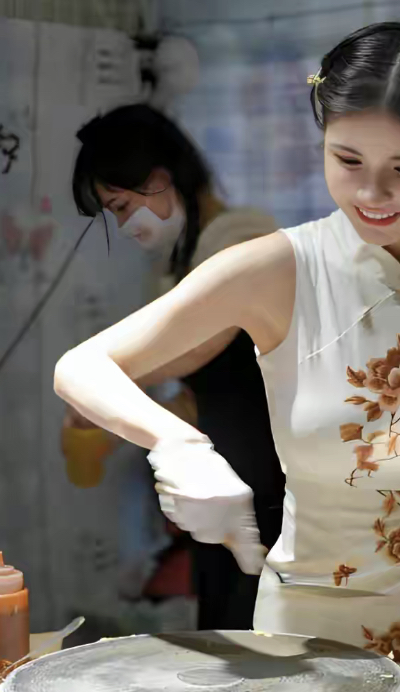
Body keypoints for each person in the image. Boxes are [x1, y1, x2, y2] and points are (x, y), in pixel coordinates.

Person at [54, 22, 400, 692]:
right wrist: (177, 442)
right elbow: (81, 364)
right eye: (347, 159)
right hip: (312, 638)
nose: (372, 193)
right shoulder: (278, 268)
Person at [68, 104, 285, 630]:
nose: (123, 226)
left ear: (160, 179)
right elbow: (202, 389)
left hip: (268, 483)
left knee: (258, 634)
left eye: (121, 206)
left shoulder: (240, 238)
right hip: (224, 480)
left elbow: (200, 352)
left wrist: (99, 388)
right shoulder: (187, 258)